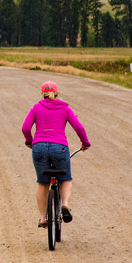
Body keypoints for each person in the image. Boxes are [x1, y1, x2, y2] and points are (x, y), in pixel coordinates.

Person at [22, 80, 90, 227]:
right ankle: (64, 204)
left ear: (42, 94)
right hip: (60, 148)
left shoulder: (35, 108)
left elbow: (25, 128)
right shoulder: (65, 109)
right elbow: (79, 127)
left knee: (42, 183)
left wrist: (29, 141)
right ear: (57, 93)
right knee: (65, 179)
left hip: (39, 147)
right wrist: (85, 143)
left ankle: (43, 218)